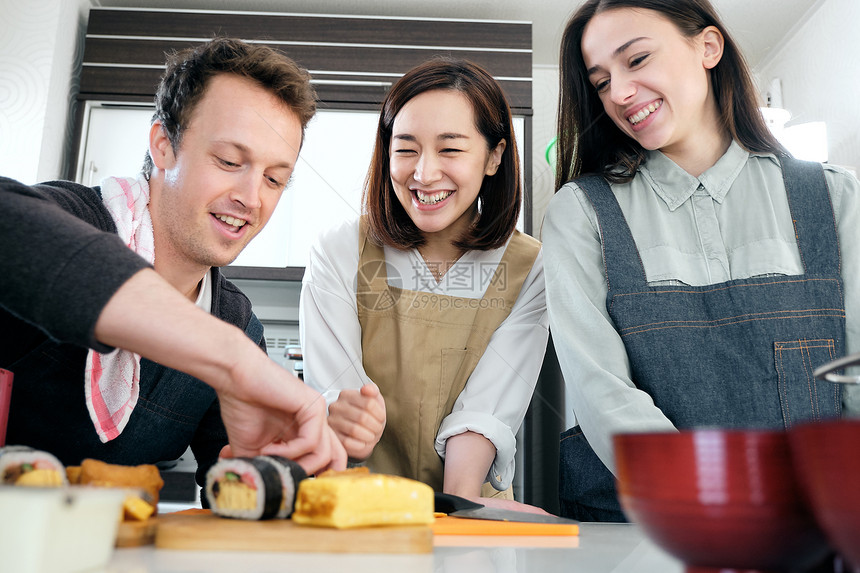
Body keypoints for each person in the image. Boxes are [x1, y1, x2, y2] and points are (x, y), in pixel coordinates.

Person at [544, 0, 860, 522]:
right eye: (600, 81)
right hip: (640, 532)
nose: (620, 93)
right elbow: (600, 389)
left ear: (708, 47)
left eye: (637, 59)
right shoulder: (580, 213)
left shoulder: (834, 196)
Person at [0, 37, 346, 490]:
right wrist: (230, 359)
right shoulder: (77, 218)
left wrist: (278, 465)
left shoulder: (236, 322)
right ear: (163, 145)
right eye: (228, 160)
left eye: (274, 178)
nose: (251, 197)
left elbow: (233, 478)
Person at [299, 59, 549, 503]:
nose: (424, 173)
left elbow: (484, 412)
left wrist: (457, 516)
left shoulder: (531, 266)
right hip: (359, 506)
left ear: (494, 156)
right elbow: (338, 396)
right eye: (406, 148)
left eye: (450, 149)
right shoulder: (340, 249)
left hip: (470, 504)